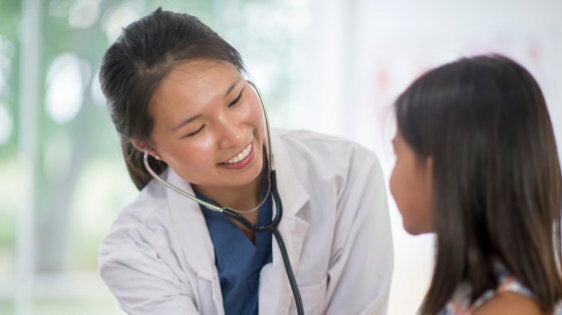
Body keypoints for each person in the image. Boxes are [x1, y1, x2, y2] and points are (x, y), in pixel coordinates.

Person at [97, 8, 393, 315]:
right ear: (150, 148)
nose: (235, 136)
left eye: (236, 99)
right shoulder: (135, 247)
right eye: (197, 129)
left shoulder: (346, 175)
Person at [389, 54, 562, 314]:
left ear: (438, 174)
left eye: (397, 155)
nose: (392, 174)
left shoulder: (508, 309)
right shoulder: (476, 293)